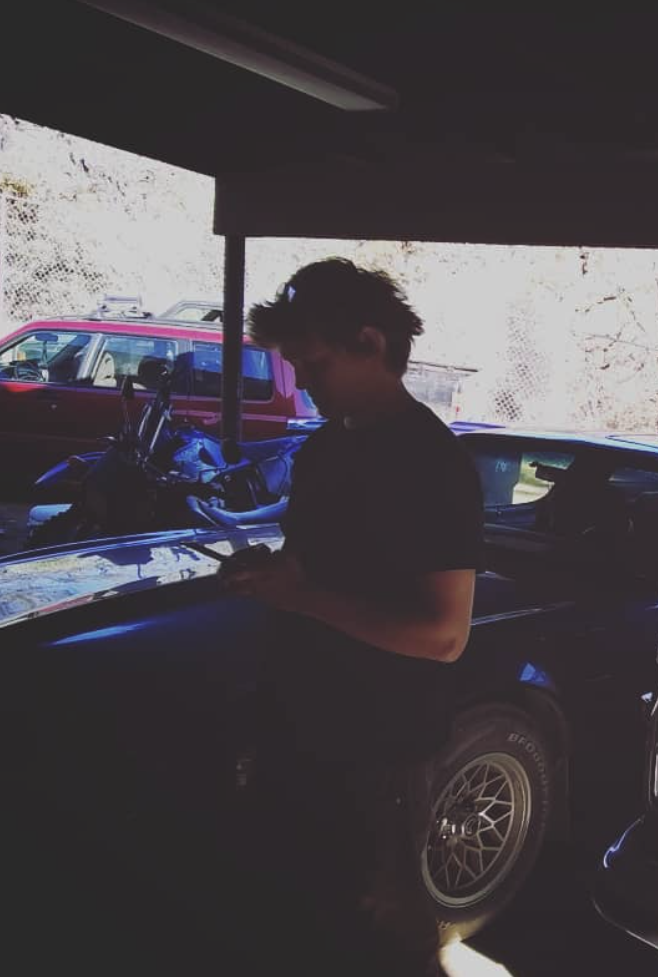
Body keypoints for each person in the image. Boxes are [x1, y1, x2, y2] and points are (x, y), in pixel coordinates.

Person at [219, 257, 483, 976]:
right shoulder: (325, 447)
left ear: (370, 343)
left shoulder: (433, 463)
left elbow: (444, 636)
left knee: (369, 940)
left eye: (315, 363)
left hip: (378, 755)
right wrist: (271, 575)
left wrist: (299, 596)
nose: (302, 380)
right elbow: (310, 566)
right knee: (289, 925)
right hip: (298, 726)